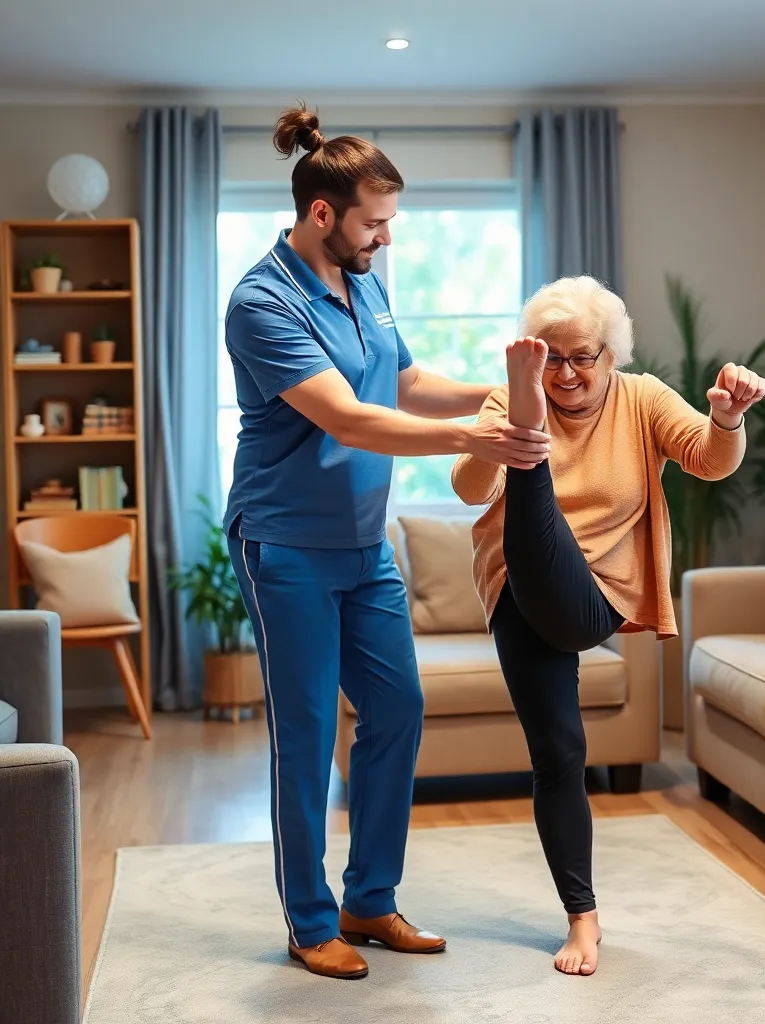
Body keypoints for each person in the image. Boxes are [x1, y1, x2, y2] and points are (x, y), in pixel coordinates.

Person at [222, 104, 551, 980]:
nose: (387, 240)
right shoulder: (261, 301)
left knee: (398, 709)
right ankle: (308, 918)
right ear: (321, 215)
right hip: (283, 545)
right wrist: (476, 441)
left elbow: (406, 382)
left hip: (364, 547)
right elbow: (353, 418)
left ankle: (371, 898)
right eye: (375, 224)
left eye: (391, 223)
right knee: (303, 731)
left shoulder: (365, 282)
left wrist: (503, 393)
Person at [451, 276, 765, 977]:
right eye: (551, 360)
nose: (566, 374)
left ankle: (585, 917)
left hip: (595, 596)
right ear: (536, 360)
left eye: (582, 357)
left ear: (610, 353)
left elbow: (710, 462)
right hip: (518, 593)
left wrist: (726, 418)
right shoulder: (513, 398)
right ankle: (583, 918)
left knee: (541, 501)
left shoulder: (643, 398)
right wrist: (509, 425)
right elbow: (469, 489)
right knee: (558, 753)